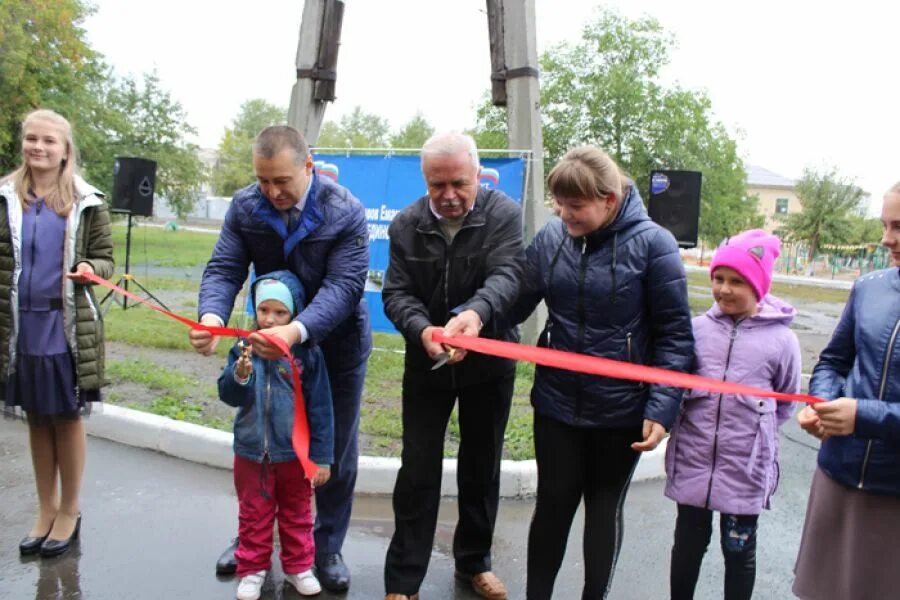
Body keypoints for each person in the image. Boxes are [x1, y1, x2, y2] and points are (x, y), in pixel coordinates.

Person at [507, 146, 694, 599]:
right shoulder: (552, 240)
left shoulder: (655, 245)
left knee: (603, 509)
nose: (563, 214)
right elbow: (514, 298)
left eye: (575, 206)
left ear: (609, 200)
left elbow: (675, 336)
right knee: (552, 504)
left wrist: (662, 407)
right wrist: (471, 318)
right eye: (559, 203)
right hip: (556, 403)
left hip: (621, 411)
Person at [191, 125, 371, 592]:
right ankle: (253, 543)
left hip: (335, 348)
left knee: (331, 448)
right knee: (264, 443)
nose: (271, 192)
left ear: (308, 167)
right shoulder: (246, 206)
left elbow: (345, 287)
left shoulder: (344, 210)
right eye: (263, 180)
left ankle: (325, 546)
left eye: (282, 182)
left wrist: (294, 332)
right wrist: (212, 316)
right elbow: (225, 266)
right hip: (269, 345)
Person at [380, 132, 524, 600]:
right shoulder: (405, 225)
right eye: (436, 184)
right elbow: (395, 293)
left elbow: (508, 276)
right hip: (427, 362)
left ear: (477, 175)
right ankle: (403, 580)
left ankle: (475, 562)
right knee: (417, 469)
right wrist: (423, 329)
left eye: (458, 183)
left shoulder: (504, 214)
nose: (448, 195)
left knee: (481, 467)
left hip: (489, 359)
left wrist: (475, 315)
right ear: (425, 180)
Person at [0, 109, 114, 558]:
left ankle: (69, 509)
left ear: (66, 149)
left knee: (65, 417)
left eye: (48, 140)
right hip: (17, 325)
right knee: (36, 416)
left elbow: (105, 259)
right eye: (31, 139)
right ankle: (44, 509)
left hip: (63, 324)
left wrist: (90, 269)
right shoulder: (7, 196)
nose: (38, 147)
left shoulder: (87, 201)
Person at [664, 229, 801, 600]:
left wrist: (758, 435)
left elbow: (784, 402)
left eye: (736, 281)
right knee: (687, 546)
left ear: (758, 285)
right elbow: (677, 386)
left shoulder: (782, 341)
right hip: (693, 461)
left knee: (739, 552)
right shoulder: (696, 330)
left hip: (744, 468)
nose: (724, 289)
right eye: (718, 279)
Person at [792, 183, 900, 599]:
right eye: (884, 225)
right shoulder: (869, 287)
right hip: (838, 475)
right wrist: (822, 405)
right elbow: (834, 361)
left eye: (898, 226)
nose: (886, 238)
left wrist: (862, 416)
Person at [220, 271, 333, 600]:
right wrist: (239, 375)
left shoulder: (307, 354)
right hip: (251, 451)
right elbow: (230, 396)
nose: (269, 319)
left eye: (279, 313)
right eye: (264, 310)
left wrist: (321, 458)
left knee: (296, 513)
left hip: (294, 454)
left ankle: (299, 567)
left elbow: (322, 408)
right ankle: (252, 568)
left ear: (294, 313)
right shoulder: (243, 346)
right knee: (253, 513)